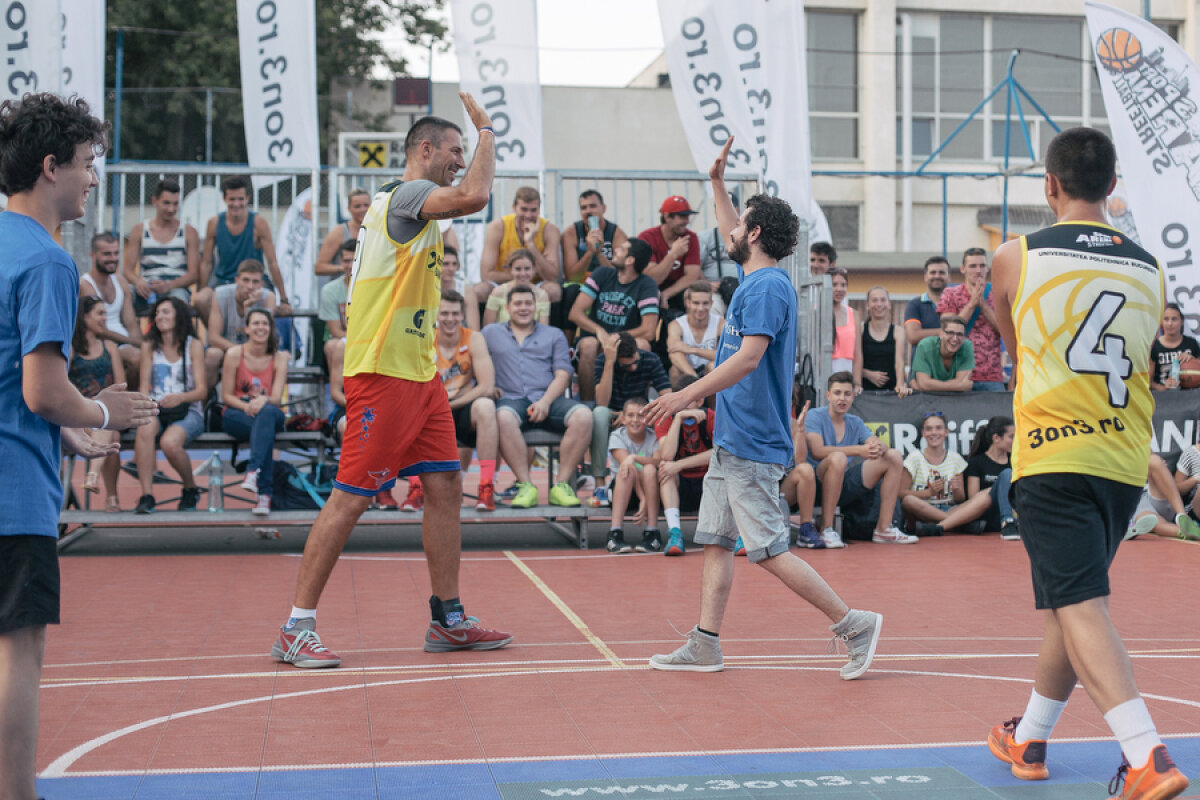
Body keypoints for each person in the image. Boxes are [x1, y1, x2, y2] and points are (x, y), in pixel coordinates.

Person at [271, 95, 513, 670]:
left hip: (418, 374)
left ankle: (448, 619)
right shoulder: (404, 196)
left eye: (465, 151)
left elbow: (466, 196)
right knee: (351, 497)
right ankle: (295, 627)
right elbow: (476, 195)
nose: (460, 161)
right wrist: (484, 132)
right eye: (453, 152)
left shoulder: (415, 211)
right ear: (424, 150)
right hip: (383, 375)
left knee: (446, 486)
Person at [987, 127, 1189, 798]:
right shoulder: (1148, 267)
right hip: (1124, 458)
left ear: (1050, 186)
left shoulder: (1014, 256)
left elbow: (1015, 344)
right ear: (1111, 188)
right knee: (1070, 605)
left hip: (1053, 452)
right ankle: (1030, 736)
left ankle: (1145, 757)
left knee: (1080, 602)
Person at [644, 137, 883, 681]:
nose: (729, 226)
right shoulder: (759, 277)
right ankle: (705, 644)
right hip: (733, 438)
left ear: (753, 234)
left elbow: (749, 359)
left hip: (752, 441)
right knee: (717, 542)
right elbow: (735, 230)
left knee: (769, 551)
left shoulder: (768, 288)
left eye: (739, 221)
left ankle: (853, 624)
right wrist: (717, 184)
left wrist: (687, 394)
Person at [0, 92, 156, 800]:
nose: (95, 178)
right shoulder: (50, 263)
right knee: (18, 653)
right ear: (51, 165)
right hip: (12, 492)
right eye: (90, 164)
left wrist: (68, 423)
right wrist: (102, 408)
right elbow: (39, 389)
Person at [482, 285, 591, 509]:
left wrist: (545, 402)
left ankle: (561, 485)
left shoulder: (554, 334)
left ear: (536, 307)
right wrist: (486, 385)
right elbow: (477, 363)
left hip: (547, 397)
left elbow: (563, 373)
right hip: (511, 399)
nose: (524, 308)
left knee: (584, 416)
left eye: (528, 303)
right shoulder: (490, 333)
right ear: (507, 307)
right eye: (518, 303)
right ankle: (525, 485)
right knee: (502, 417)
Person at [404, 290, 501, 513]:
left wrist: (449, 404)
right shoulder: (424, 339)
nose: (450, 318)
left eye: (455, 314)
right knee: (408, 410)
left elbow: (486, 386)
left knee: (486, 407)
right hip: (431, 408)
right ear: (436, 314)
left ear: (462, 314)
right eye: (445, 313)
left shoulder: (474, 338)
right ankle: (415, 488)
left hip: (461, 406)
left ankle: (486, 487)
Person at [805, 372, 913, 546]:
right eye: (837, 393)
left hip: (843, 484)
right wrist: (858, 450)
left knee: (893, 456)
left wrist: (878, 446)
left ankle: (884, 529)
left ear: (854, 396)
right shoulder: (815, 416)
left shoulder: (855, 421)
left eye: (847, 394)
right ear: (828, 395)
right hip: (815, 485)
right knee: (838, 458)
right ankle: (826, 529)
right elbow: (817, 451)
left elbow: (877, 443)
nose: (842, 399)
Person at [132, 296, 208, 515]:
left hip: (188, 409)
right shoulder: (149, 345)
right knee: (145, 427)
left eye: (165, 312)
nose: (159, 317)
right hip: (157, 406)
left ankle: (190, 487)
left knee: (169, 443)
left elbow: (202, 391)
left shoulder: (193, 345)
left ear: (179, 316)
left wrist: (181, 397)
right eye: (157, 313)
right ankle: (147, 495)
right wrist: (148, 405)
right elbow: (144, 385)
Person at [568, 238, 659, 402]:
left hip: (625, 340)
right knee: (588, 345)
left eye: (622, 249)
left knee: (643, 345)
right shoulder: (602, 274)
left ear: (630, 260)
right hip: (596, 338)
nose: (616, 250)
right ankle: (588, 405)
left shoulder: (647, 285)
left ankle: (637, 406)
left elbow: (649, 331)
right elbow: (575, 313)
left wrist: (614, 338)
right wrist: (599, 330)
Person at [220, 308, 290, 516]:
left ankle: (253, 471)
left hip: (269, 411)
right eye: (256, 323)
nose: (261, 328)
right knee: (264, 431)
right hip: (237, 413)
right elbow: (226, 396)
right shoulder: (234, 354)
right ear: (247, 328)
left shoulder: (279, 358)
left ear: (270, 329)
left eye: (265, 324)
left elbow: (277, 397)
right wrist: (248, 406)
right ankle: (264, 495)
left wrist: (263, 401)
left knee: (267, 416)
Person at [194, 175, 292, 323]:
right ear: (225, 199)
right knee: (201, 300)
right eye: (232, 199)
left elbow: (272, 262)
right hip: (224, 280)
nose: (237, 204)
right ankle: (220, 333)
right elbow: (206, 262)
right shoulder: (214, 223)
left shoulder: (258, 223)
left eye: (240, 199)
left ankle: (257, 338)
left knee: (266, 301)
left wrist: (284, 299)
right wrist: (202, 289)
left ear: (247, 198)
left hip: (254, 282)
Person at [591, 332, 672, 492]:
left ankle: (663, 475)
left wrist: (641, 412)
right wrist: (609, 362)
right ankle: (600, 482)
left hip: (641, 411)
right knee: (599, 414)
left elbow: (667, 395)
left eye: (636, 361)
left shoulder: (650, 359)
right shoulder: (603, 361)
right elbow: (601, 402)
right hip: (612, 413)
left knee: (664, 414)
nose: (633, 367)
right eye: (628, 365)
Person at [68, 296, 126, 512]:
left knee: (108, 425)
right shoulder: (71, 349)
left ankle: (94, 476)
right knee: (111, 433)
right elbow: (62, 382)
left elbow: (121, 385)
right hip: (79, 412)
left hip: (108, 411)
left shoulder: (110, 347)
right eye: (100, 313)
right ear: (84, 317)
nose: (104, 319)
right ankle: (111, 495)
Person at [653, 374, 716, 556]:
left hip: (708, 485)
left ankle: (737, 534)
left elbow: (719, 453)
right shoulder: (666, 418)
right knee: (666, 470)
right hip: (681, 487)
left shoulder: (710, 418)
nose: (686, 405)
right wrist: (678, 418)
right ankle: (675, 533)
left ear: (700, 400)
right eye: (682, 401)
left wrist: (679, 464)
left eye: (690, 401)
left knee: (728, 469)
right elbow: (666, 455)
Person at [122, 178, 199, 317]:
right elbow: (127, 270)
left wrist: (168, 285)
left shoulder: (189, 231)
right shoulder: (139, 230)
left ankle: (178, 339)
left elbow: (194, 274)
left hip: (176, 287)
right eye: (166, 203)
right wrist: (138, 282)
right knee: (123, 295)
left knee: (178, 302)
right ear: (155, 201)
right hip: (147, 287)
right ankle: (128, 338)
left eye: (175, 204)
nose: (171, 209)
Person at [474, 186, 562, 303]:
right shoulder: (498, 227)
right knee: (480, 290)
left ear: (539, 210)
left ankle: (547, 322)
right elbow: (486, 275)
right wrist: (521, 276)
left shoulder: (549, 230)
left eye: (533, 210)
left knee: (554, 290)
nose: (528, 215)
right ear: (514, 208)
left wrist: (531, 244)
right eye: (524, 209)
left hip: (536, 284)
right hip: (504, 283)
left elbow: (552, 276)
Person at [938, 247, 1005, 391]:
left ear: (987, 268)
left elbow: (1005, 330)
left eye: (982, 266)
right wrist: (972, 304)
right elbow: (948, 330)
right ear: (963, 269)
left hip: (992, 376)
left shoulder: (998, 293)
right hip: (958, 376)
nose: (978, 270)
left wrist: (984, 305)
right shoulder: (950, 293)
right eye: (973, 266)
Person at [204, 259, 275, 392]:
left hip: (257, 351)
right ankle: (205, 404)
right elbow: (213, 338)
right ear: (237, 280)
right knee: (212, 354)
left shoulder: (268, 297)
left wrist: (249, 308)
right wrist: (240, 351)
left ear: (262, 284)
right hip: (227, 348)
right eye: (246, 280)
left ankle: (266, 400)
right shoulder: (220, 294)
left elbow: (266, 335)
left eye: (255, 281)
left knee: (278, 356)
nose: (250, 286)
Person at [80, 231, 142, 377]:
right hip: (100, 343)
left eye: (116, 253)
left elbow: (131, 323)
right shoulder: (85, 285)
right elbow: (99, 329)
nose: (113, 258)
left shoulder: (120, 282)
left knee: (150, 356)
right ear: (93, 256)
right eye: (107, 254)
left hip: (125, 342)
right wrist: (135, 343)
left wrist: (141, 343)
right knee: (136, 357)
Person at [604, 397, 662, 554]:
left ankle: (652, 532)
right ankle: (614, 533)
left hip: (651, 493)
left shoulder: (654, 436)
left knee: (650, 469)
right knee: (627, 469)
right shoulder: (617, 436)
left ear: (648, 418)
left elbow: (658, 461)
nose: (635, 420)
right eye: (630, 415)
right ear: (622, 419)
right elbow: (628, 466)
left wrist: (635, 457)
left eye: (641, 415)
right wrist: (642, 498)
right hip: (623, 493)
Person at [899, 412, 969, 533]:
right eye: (929, 429)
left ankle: (936, 526)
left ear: (946, 432)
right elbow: (901, 493)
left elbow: (960, 499)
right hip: (924, 509)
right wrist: (928, 493)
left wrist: (957, 490)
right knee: (908, 501)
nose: (934, 432)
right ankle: (957, 524)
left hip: (950, 508)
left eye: (938, 428)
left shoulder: (956, 459)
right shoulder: (914, 458)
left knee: (976, 501)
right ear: (923, 434)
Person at [638, 195, 702, 313]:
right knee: (649, 294)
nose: (687, 221)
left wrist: (666, 294)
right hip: (652, 289)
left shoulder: (691, 237)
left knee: (694, 297)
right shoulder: (647, 238)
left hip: (677, 289)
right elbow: (652, 279)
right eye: (682, 216)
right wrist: (673, 254)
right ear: (667, 216)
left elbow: (692, 276)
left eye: (687, 216)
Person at [1125, 454, 1200, 541]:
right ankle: (1185, 532)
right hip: (1137, 506)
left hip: (1152, 493)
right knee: (1153, 523)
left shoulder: (1139, 446)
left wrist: (1161, 468)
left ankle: (1183, 517)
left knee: (1154, 461)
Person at [854, 285, 910, 396]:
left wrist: (900, 385)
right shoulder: (860, 330)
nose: (879, 304)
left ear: (889, 304)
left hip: (890, 392)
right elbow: (855, 359)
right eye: (874, 300)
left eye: (883, 300)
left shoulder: (898, 331)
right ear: (868, 306)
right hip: (865, 392)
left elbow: (899, 362)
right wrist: (866, 375)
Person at [562, 188, 627, 284]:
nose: (588, 211)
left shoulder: (617, 234)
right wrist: (590, 252)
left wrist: (599, 253)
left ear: (603, 208)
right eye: (583, 208)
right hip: (580, 283)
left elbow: (620, 276)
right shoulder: (571, 233)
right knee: (571, 290)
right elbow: (571, 278)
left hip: (606, 282)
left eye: (593, 206)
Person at [782, 400, 823, 549]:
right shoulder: (753, 421)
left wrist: (799, 429)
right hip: (756, 484)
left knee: (805, 469)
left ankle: (806, 528)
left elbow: (800, 460)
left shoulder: (793, 424)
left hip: (781, 491)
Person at [666, 281, 723, 382]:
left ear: (711, 303)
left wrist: (692, 350)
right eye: (696, 303)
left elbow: (726, 355)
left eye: (705, 303)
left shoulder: (721, 323)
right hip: (688, 372)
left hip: (709, 372)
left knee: (713, 366)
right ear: (688, 303)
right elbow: (673, 352)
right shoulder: (676, 325)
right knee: (674, 371)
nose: (700, 308)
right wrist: (694, 378)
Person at [483, 248, 551, 326]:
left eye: (527, 269)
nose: (523, 273)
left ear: (534, 270)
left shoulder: (542, 295)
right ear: (510, 270)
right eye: (518, 269)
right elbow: (488, 327)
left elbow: (544, 329)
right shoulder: (498, 292)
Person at [910, 314, 975, 393]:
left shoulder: (967, 346)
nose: (955, 339)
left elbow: (963, 381)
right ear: (941, 334)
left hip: (955, 398)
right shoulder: (925, 346)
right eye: (950, 333)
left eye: (960, 334)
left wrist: (930, 385)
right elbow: (924, 384)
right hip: (926, 399)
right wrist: (959, 386)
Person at [314, 187, 370, 277]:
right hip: (344, 288)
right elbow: (319, 267)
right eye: (357, 206)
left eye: (366, 205)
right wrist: (346, 268)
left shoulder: (377, 231)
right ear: (349, 208)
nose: (363, 209)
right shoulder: (339, 232)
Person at [1149, 303, 1199, 390]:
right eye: (1166, 319)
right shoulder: (1154, 347)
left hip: (1190, 399)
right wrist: (1164, 388)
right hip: (1164, 400)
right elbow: (1148, 383)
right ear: (1161, 321)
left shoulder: (1192, 344)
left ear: (1182, 321)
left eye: (1174, 319)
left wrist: (1193, 360)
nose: (1170, 323)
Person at [319, 240, 354, 358]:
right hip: (343, 338)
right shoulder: (330, 290)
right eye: (346, 261)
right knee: (333, 346)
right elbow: (335, 331)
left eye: (355, 260)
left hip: (371, 338)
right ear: (340, 262)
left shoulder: (375, 287)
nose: (351, 266)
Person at [830, 268, 855, 373]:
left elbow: (858, 353)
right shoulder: (816, 311)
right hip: (824, 371)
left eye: (843, 285)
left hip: (847, 371)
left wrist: (857, 382)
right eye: (834, 284)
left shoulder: (853, 314)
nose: (839, 289)